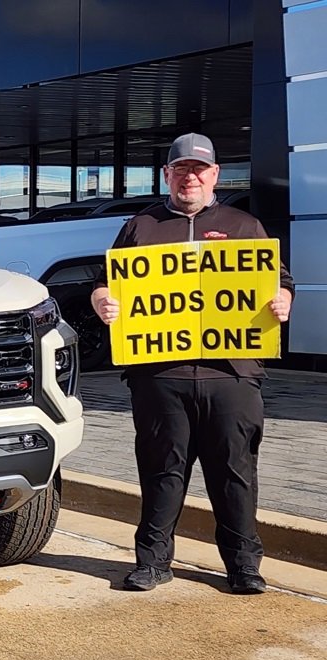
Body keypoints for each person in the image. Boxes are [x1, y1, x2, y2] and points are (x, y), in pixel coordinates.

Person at [90, 133, 295, 594]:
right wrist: (102, 299)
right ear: (167, 175)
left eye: (199, 169)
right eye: (181, 169)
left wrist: (282, 299)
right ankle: (152, 561)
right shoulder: (141, 227)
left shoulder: (245, 225)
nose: (190, 177)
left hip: (233, 374)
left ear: (215, 175)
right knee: (161, 470)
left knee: (235, 473)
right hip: (160, 375)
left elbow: (281, 281)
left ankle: (243, 565)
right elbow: (107, 282)